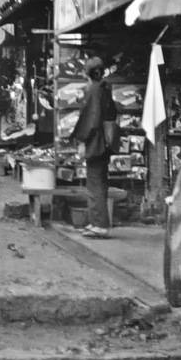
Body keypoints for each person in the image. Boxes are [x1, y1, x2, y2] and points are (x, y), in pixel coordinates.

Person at [72, 56, 118, 238]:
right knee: (100, 181)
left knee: (94, 182)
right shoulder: (105, 89)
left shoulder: (93, 90)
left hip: (96, 141)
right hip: (106, 140)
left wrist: (83, 140)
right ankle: (97, 221)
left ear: (87, 73)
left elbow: (90, 119)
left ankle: (99, 224)